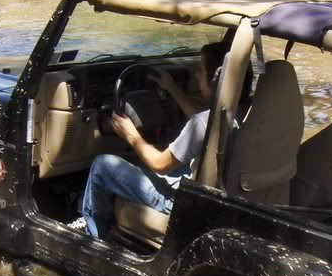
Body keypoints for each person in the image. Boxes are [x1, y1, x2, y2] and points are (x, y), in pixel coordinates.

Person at [73, 42, 230, 238]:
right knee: (132, 157)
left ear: (217, 78)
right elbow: (200, 119)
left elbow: (160, 164)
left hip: (178, 201)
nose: (197, 75)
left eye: (201, 70)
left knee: (101, 166)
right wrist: (172, 88)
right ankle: (85, 204)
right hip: (211, 195)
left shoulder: (202, 122)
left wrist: (130, 133)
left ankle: (94, 236)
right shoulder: (236, 112)